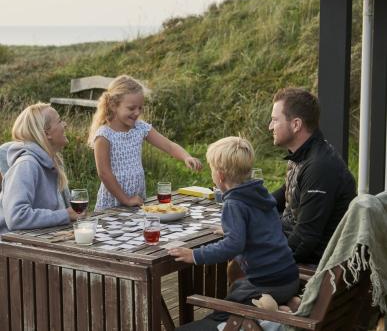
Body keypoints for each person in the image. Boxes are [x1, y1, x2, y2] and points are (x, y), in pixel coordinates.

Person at [168, 136, 299, 330]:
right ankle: (280, 307)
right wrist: (236, 229)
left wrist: (195, 255)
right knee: (237, 290)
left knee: (222, 311)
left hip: (266, 283)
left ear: (219, 176)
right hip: (288, 278)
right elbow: (266, 226)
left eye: (212, 169)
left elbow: (233, 246)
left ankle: (274, 313)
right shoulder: (259, 193)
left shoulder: (234, 204)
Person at [87, 75, 202, 211]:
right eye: (131, 108)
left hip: (137, 200)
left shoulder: (140, 128)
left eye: (140, 108)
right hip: (112, 203)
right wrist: (126, 199)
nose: (137, 113)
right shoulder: (104, 135)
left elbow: (168, 145)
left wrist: (186, 156)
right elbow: (104, 173)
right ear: (113, 105)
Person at [269, 88, 356, 265]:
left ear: (296, 125)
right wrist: (247, 208)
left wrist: (265, 259)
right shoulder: (302, 154)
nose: (270, 126)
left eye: (275, 120)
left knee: (238, 259)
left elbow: (305, 240)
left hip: (313, 265)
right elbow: (286, 193)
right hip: (290, 244)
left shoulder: (319, 166)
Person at [0, 103, 81, 234]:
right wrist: (65, 215)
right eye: (60, 121)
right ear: (46, 133)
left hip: (39, 239)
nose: (65, 124)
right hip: (14, 247)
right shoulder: (26, 165)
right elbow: (16, 217)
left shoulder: (51, 162)